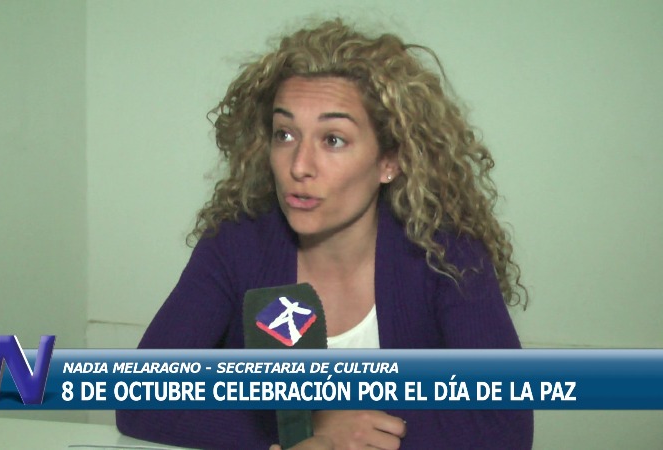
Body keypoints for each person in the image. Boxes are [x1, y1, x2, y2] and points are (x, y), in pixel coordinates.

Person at [117, 18, 533, 449]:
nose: (299, 165)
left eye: (333, 140)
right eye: (285, 134)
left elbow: (505, 429)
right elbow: (140, 398)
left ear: (389, 161)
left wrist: (349, 431)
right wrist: (309, 427)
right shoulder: (236, 245)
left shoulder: (446, 255)